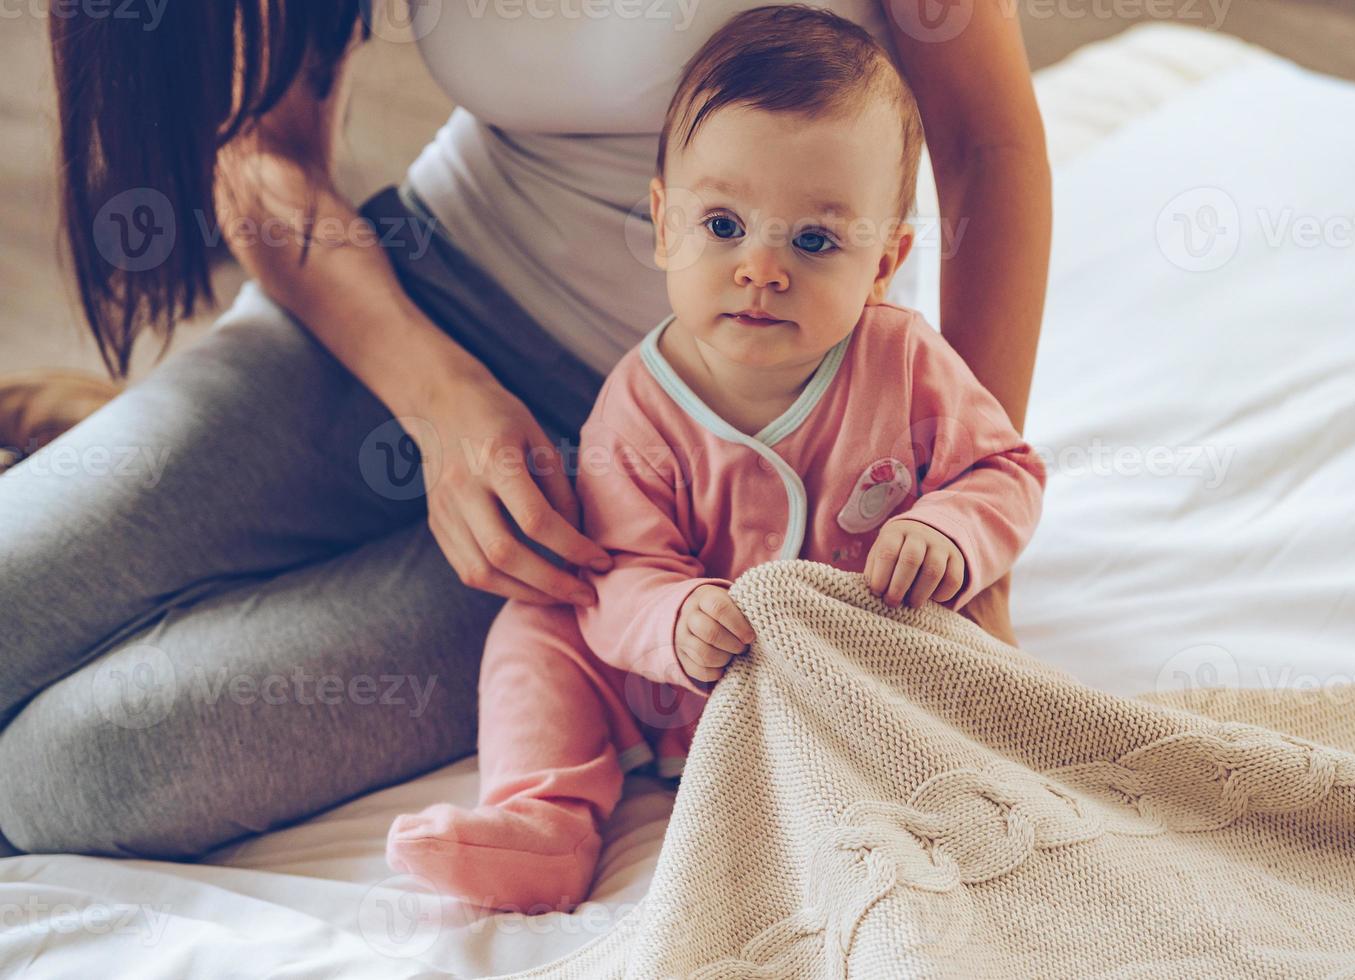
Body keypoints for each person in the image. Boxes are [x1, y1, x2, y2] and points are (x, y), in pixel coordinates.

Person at [0, 0, 1051, 859]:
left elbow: (985, 147)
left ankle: (108, 434)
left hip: (640, 495)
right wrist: (438, 401)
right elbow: (262, 155)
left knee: (82, 770)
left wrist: (973, 553)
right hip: (398, 319)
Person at [381, 5, 1047, 914]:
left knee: (957, 670)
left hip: (844, 664)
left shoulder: (906, 365)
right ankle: (546, 820)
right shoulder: (640, 404)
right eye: (722, 225)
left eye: (814, 241)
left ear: (883, 262)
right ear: (662, 226)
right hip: (663, 689)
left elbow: (1003, 473)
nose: (761, 269)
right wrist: (675, 617)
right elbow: (622, 575)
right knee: (537, 629)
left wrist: (949, 531)